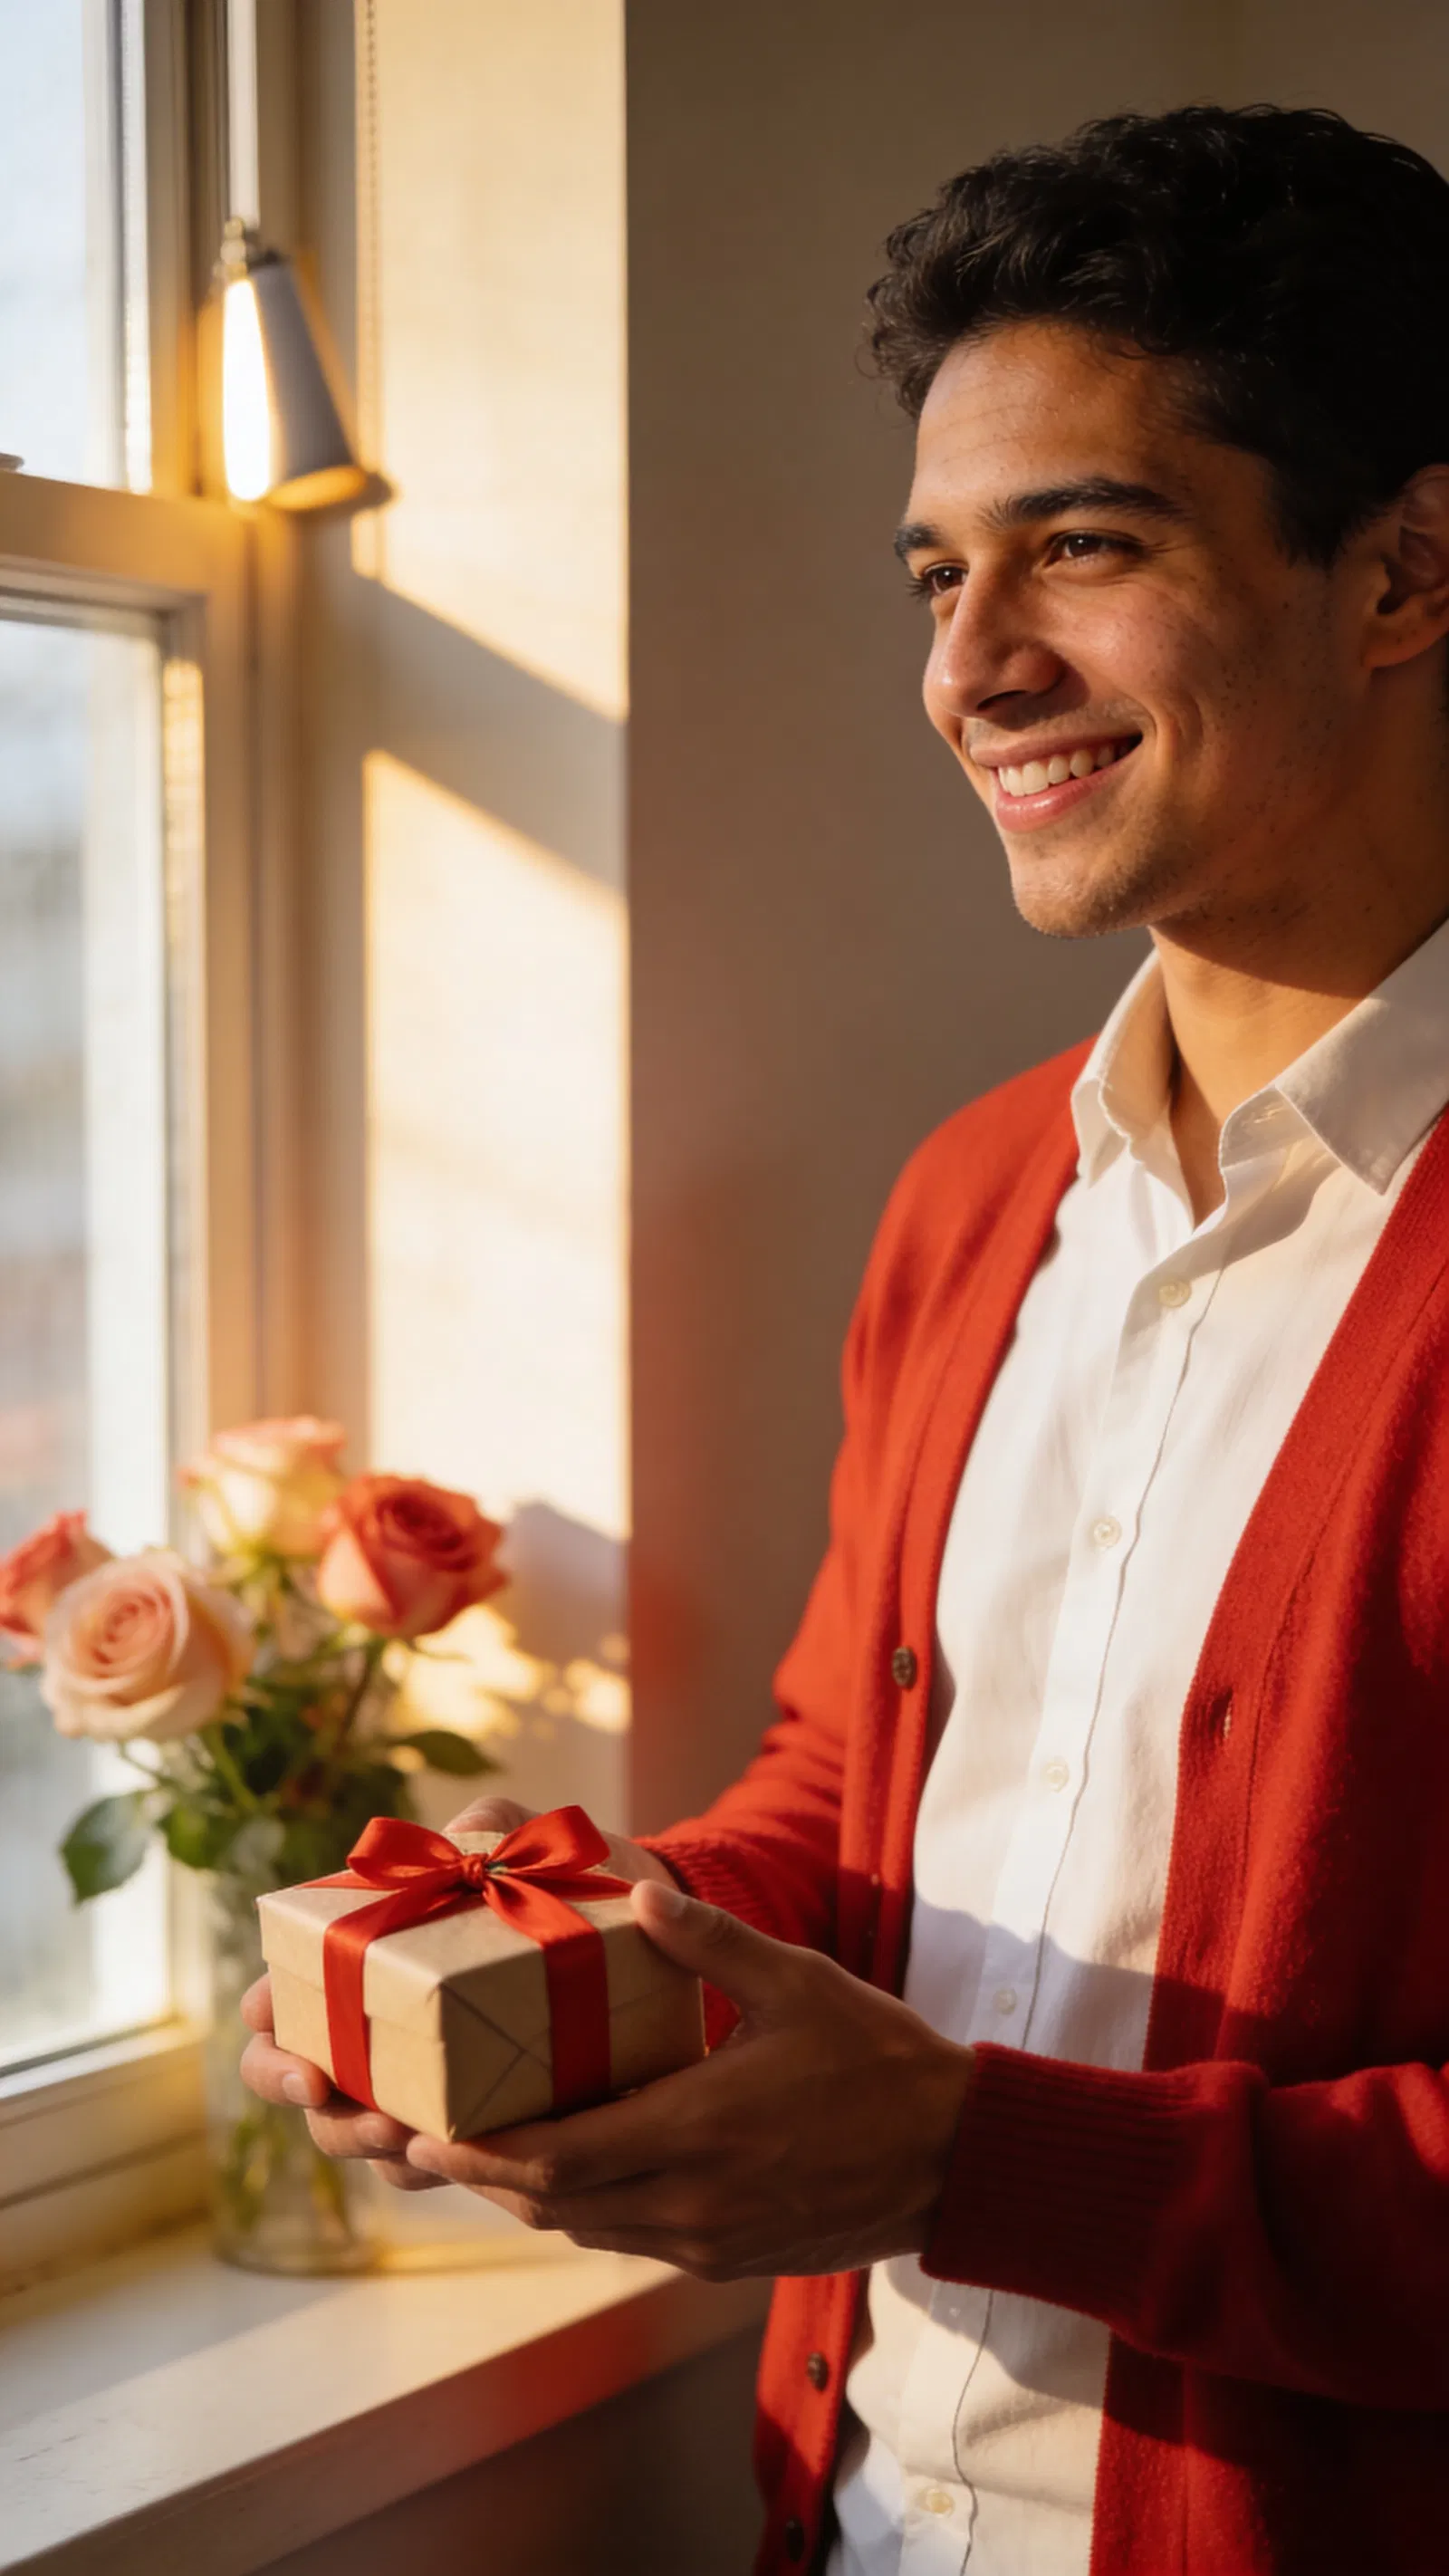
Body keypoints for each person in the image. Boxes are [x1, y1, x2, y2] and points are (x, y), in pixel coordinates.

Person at [242, 102, 1449, 2575]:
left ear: (1406, 568)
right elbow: (856, 1801)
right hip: (862, 2513)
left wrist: (964, 2151)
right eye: (936, 574)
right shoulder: (975, 1198)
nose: (969, 669)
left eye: (1082, 550)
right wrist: (562, 1949)